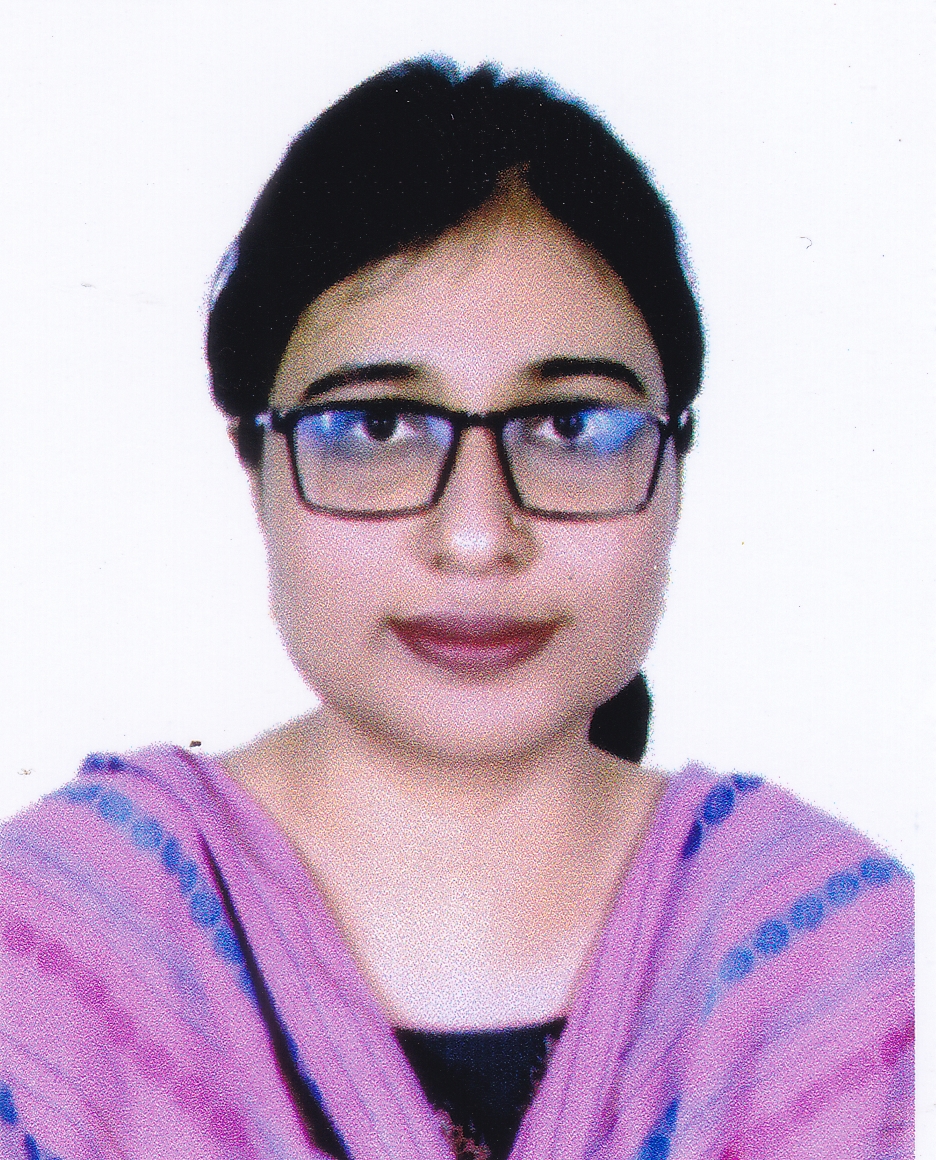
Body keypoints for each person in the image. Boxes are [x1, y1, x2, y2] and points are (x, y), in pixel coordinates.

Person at [0, 59, 912, 1160]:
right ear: (256, 465)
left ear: (678, 463)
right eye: (379, 425)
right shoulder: (44, 951)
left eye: (570, 425)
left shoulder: (860, 965)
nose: (477, 536)